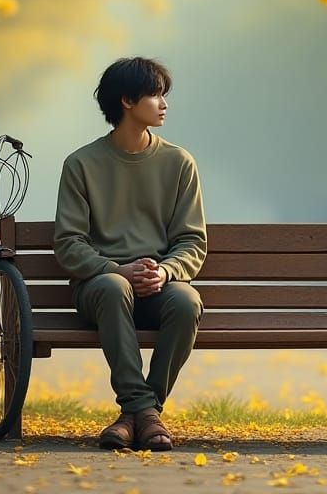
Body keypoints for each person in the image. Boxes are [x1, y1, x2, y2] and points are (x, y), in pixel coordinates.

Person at [53, 56, 207, 451]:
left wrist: (167, 273)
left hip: (157, 288)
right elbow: (69, 243)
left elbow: (192, 240)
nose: (164, 104)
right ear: (126, 101)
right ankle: (147, 415)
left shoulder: (179, 162)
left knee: (187, 301)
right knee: (111, 287)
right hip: (101, 291)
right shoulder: (81, 164)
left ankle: (137, 414)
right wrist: (118, 269)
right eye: (155, 95)